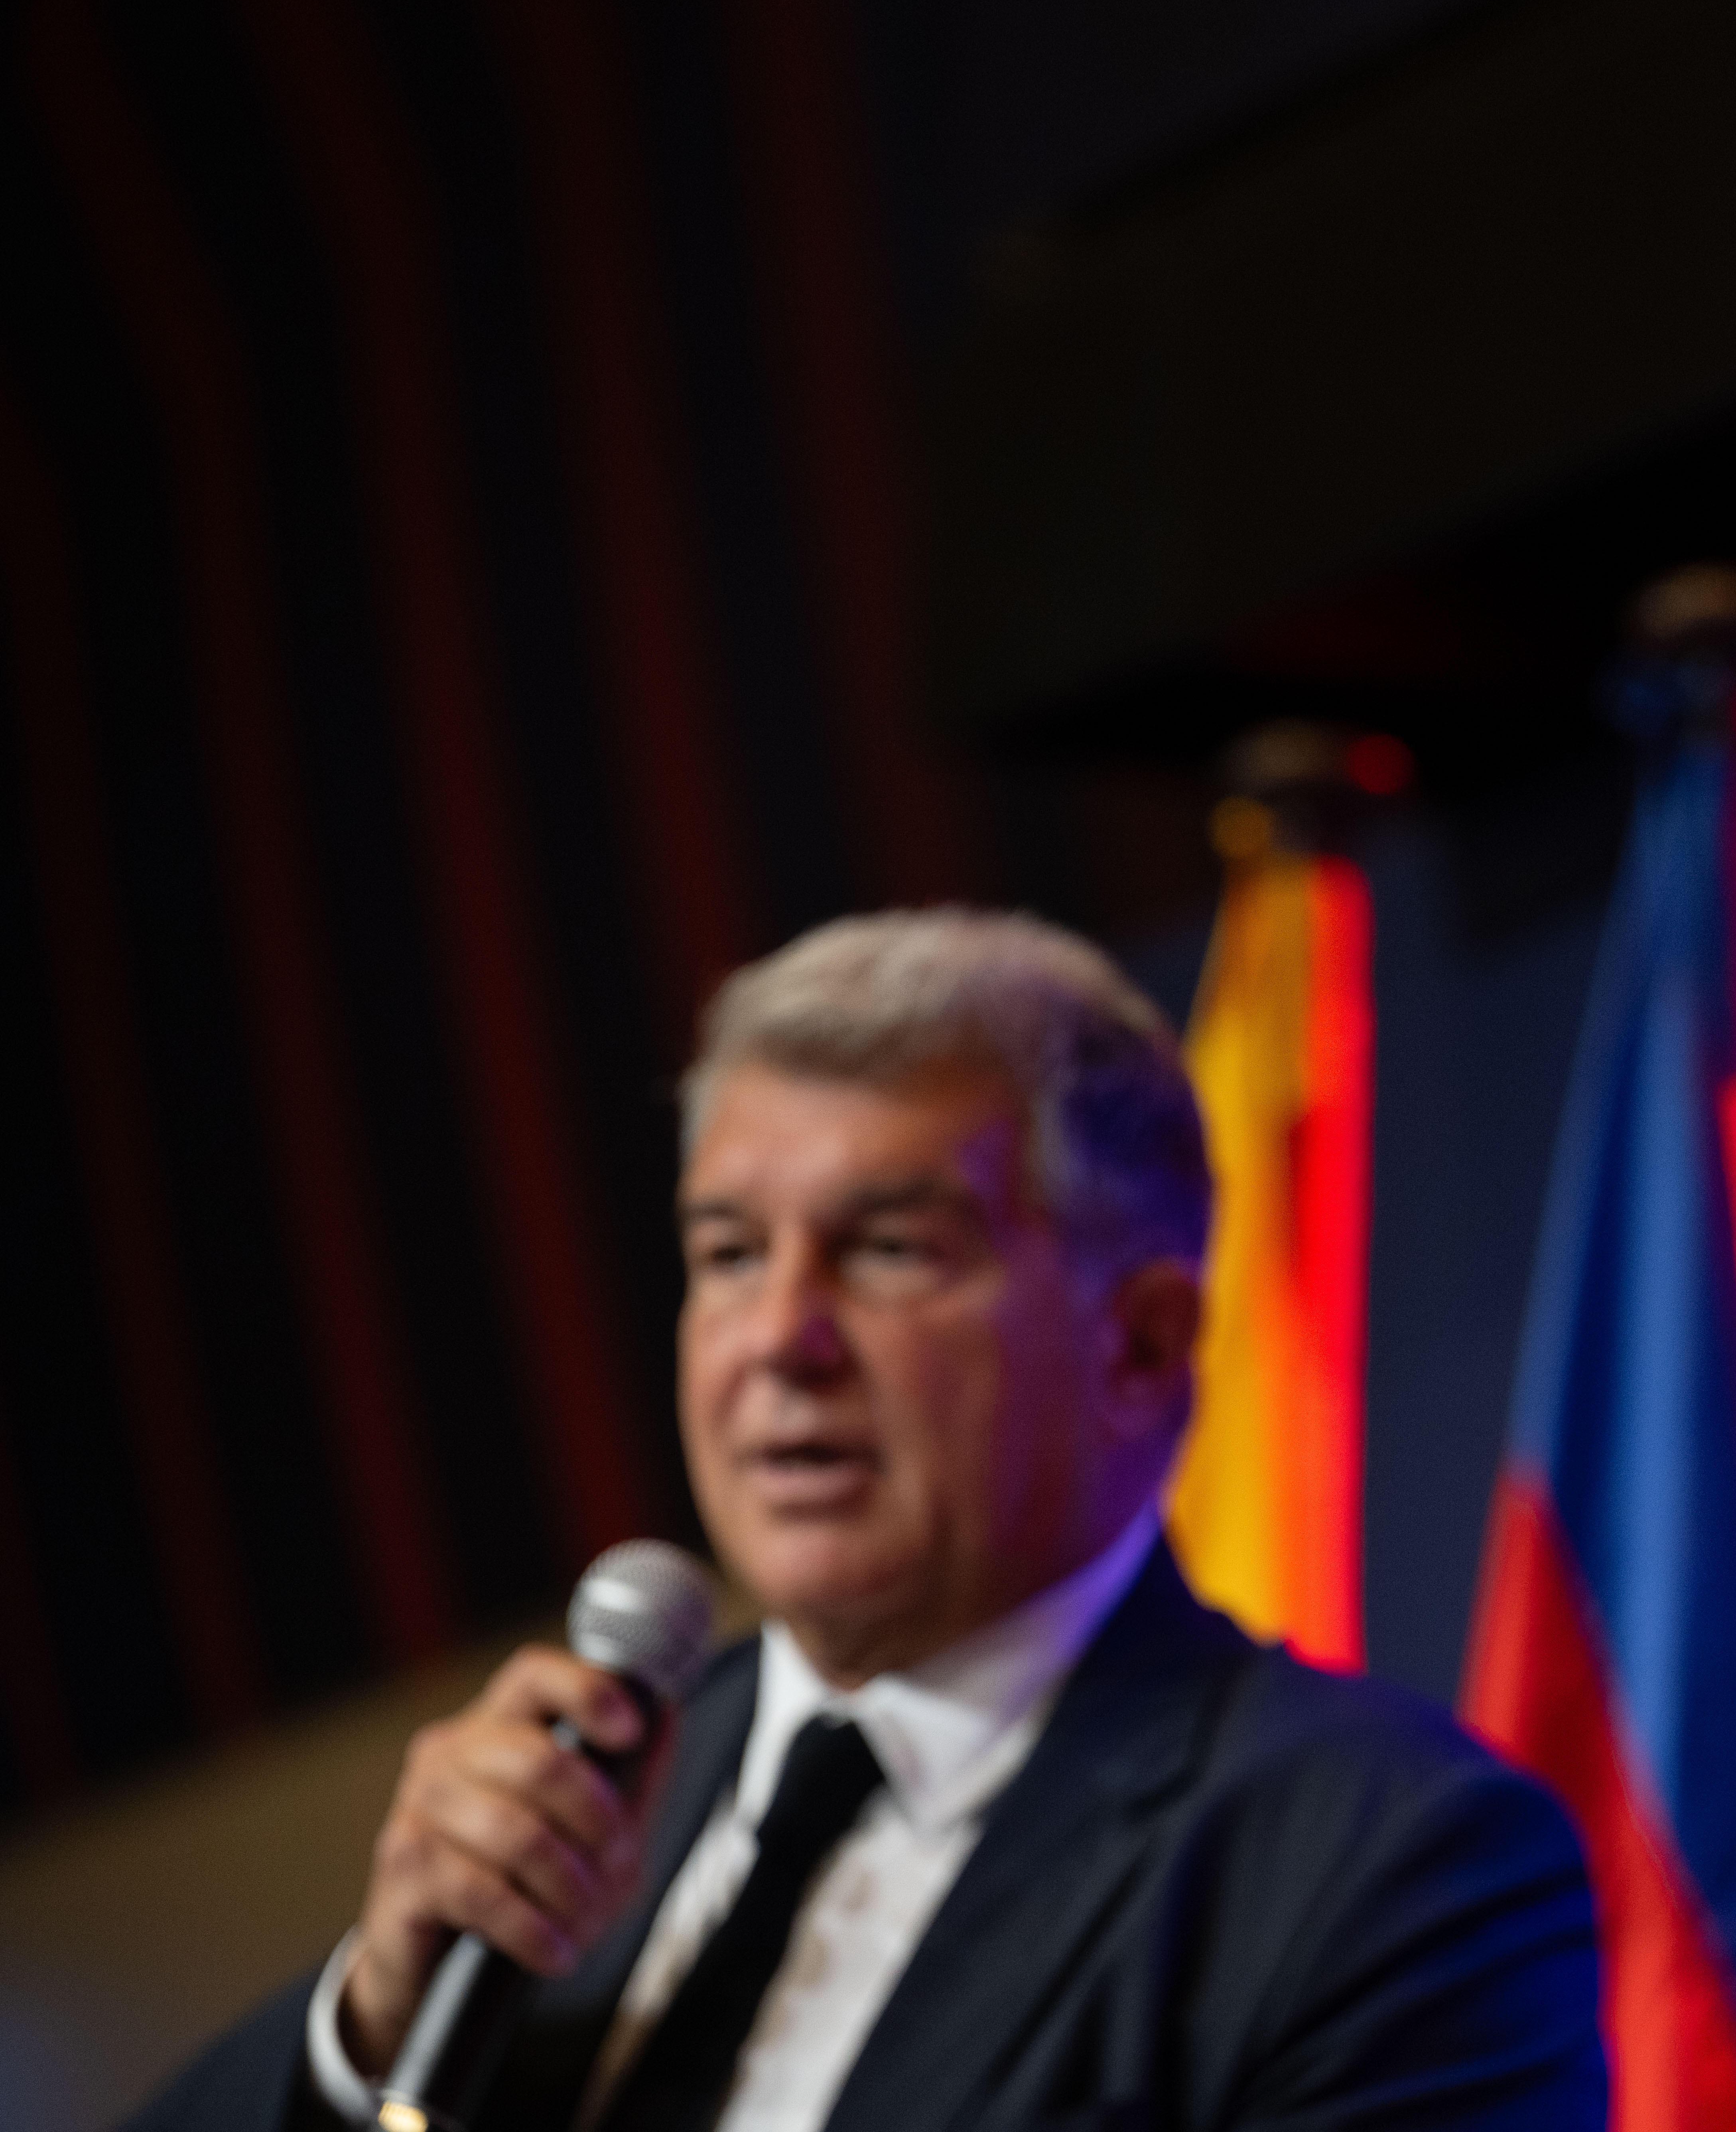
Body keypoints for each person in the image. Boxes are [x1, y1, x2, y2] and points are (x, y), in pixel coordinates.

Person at [137, 910, 1605, 2132]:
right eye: (728, 1252)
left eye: (891, 1250)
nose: (780, 1337)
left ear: (1145, 1346)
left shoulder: (1390, 1870)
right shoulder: (576, 1804)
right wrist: (372, 2019)